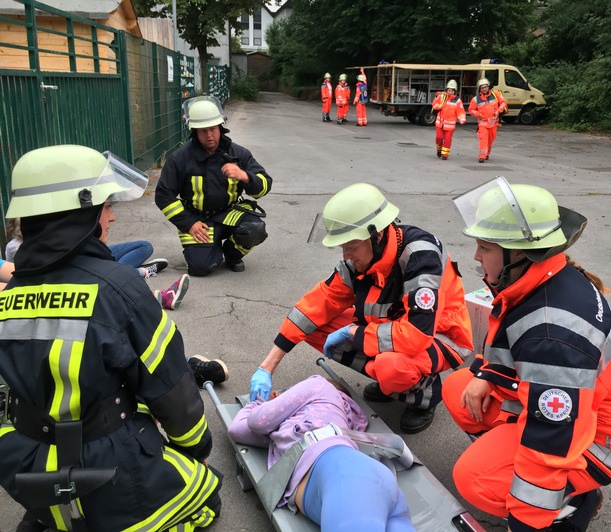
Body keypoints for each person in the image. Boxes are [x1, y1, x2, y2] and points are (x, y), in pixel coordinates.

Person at [0, 144, 223, 531]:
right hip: (106, 466)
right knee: (207, 496)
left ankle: (54, 514)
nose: (112, 215)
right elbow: (173, 392)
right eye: (104, 206)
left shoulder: (10, 295)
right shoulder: (119, 288)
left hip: (26, 464)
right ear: (78, 214)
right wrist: (195, 450)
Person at [443, 177, 611, 531]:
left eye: (484, 247)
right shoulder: (543, 277)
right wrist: (486, 375)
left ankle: (569, 508)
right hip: (592, 410)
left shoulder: (553, 334)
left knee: (474, 479)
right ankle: (522, 470)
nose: (476, 257)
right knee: (460, 387)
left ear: (519, 252)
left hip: (603, 439)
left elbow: (554, 440)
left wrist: (525, 522)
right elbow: (512, 349)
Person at [250, 183, 474, 434]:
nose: (346, 255)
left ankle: (423, 395)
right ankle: (390, 382)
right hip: (393, 328)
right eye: (342, 247)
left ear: (376, 235)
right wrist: (267, 366)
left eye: (351, 246)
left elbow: (417, 335)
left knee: (391, 367)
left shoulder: (420, 256)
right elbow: (317, 304)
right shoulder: (358, 260)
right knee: (313, 326)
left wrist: (355, 334)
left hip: (440, 336)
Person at [229, 374, 414, 531]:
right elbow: (239, 430)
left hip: (346, 477)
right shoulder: (290, 430)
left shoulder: (320, 384)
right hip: (363, 478)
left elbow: (257, 421)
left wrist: (259, 402)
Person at [155, 95, 273, 276]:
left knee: (255, 229)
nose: (209, 135)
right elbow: (163, 196)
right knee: (201, 268)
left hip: (229, 213)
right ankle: (210, 249)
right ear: (194, 131)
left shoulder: (238, 153)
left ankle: (232, 254)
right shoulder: (180, 159)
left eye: (213, 129)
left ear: (220, 127)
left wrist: (245, 176)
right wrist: (189, 223)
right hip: (198, 219)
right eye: (203, 131)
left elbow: (265, 185)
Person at [468, 77, 508, 163]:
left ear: (488, 87)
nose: (484, 89)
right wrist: (478, 114)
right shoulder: (476, 99)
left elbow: (503, 102)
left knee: (491, 139)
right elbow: (471, 110)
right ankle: (482, 156)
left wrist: (499, 111)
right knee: (483, 139)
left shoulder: (496, 94)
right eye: (482, 88)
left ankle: (487, 154)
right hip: (483, 123)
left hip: (493, 123)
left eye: (485, 87)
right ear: (480, 89)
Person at [432, 79, 466, 160]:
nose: (450, 92)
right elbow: (434, 104)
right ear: (446, 90)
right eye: (449, 90)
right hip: (440, 123)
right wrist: (438, 106)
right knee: (439, 138)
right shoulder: (441, 97)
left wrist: (462, 119)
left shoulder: (457, 101)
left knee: (447, 140)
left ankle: (445, 155)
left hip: (450, 126)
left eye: (452, 91)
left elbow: (460, 111)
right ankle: (439, 149)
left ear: (455, 91)